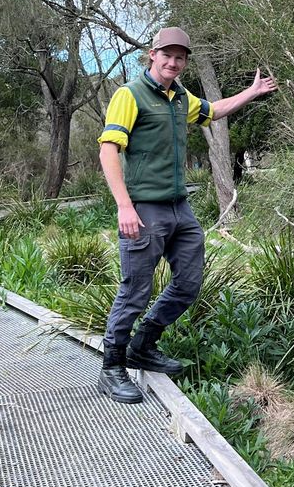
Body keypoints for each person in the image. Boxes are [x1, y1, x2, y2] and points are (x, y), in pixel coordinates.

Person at [95, 27, 276, 404]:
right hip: (144, 209)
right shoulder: (130, 95)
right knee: (135, 291)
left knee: (189, 283)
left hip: (180, 209)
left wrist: (253, 92)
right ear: (152, 55)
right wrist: (124, 206)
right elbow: (109, 151)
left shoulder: (180, 98)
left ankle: (143, 345)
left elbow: (214, 111)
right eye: (167, 55)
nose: (173, 62)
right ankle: (111, 368)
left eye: (180, 57)